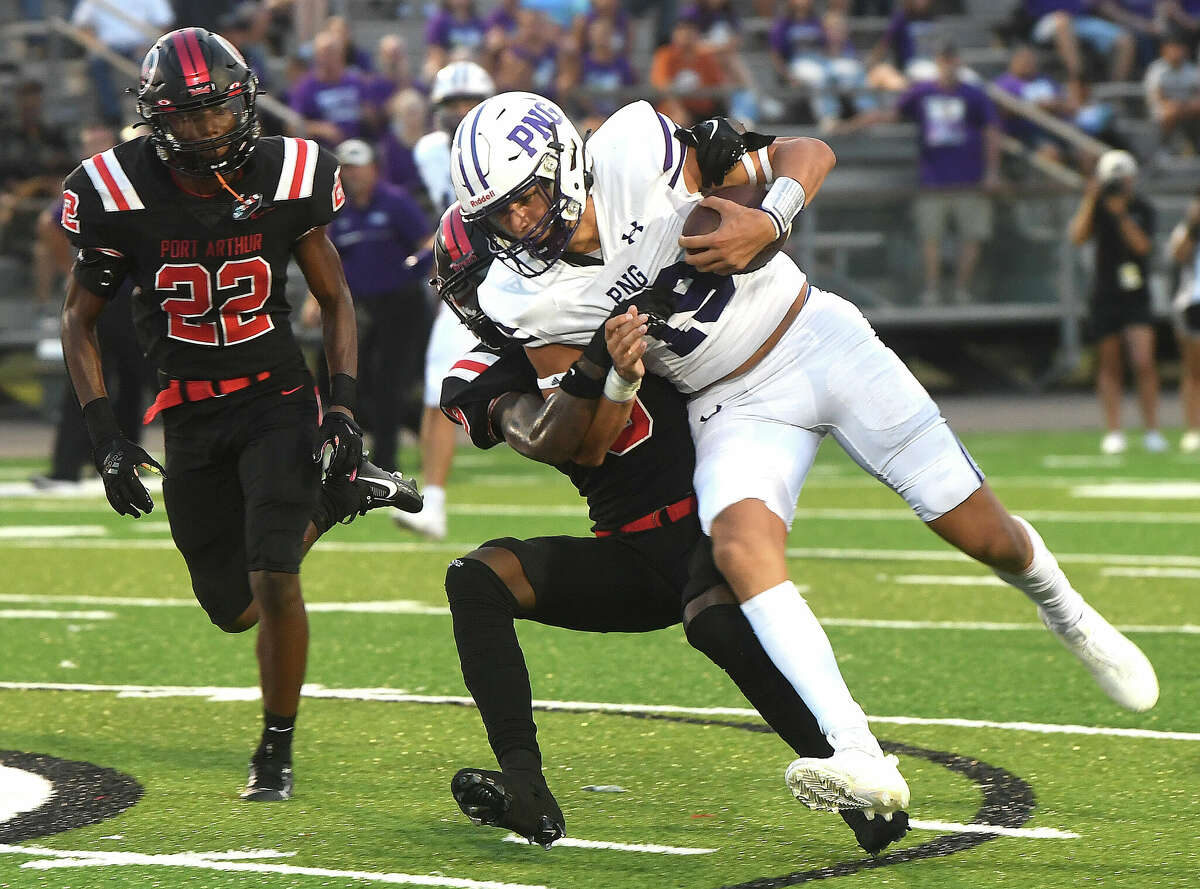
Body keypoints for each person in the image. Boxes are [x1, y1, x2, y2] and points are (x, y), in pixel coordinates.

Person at [450, 92, 1160, 818]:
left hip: (815, 338)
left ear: (565, 163)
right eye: (499, 214)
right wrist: (619, 374)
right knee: (738, 546)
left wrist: (770, 216)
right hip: (730, 400)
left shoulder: (636, 148)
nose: (519, 223)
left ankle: (1064, 608)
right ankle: (855, 750)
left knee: (982, 532)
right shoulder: (523, 297)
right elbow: (588, 440)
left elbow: (807, 152)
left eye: (527, 199)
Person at [432, 204, 910, 855]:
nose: (470, 300)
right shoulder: (485, 369)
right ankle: (525, 786)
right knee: (478, 578)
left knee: (713, 618)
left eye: (473, 280)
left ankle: (857, 784)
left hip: (713, 515)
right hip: (630, 550)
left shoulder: (614, 288)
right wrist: (594, 367)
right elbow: (540, 437)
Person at [58, 27, 419, 801]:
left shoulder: (290, 172)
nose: (205, 129)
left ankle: (275, 748)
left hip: (275, 397)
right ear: (156, 118)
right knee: (233, 607)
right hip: (186, 414)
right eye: (185, 117)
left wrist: (343, 406)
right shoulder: (115, 191)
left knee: (276, 576)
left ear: (244, 101)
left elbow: (335, 298)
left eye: (217, 111)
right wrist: (105, 436)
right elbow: (77, 318)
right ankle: (343, 492)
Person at [394, 61, 496, 540]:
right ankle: (432, 503)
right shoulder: (431, 151)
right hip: (467, 286)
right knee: (439, 387)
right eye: (451, 106)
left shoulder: (504, 143)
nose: (460, 114)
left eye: (467, 103)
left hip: (524, 276)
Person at [836, 42, 1002, 305]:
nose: (949, 65)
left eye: (952, 59)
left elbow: (991, 131)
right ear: (938, 62)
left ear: (959, 62)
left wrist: (992, 171)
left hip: (970, 178)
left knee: (972, 236)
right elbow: (892, 114)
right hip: (933, 178)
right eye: (944, 59)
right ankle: (932, 291)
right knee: (930, 236)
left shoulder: (974, 95)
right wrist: (851, 125)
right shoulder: (923, 92)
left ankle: (962, 291)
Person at [327, 139, 431, 471]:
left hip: (403, 304)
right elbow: (330, 259)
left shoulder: (395, 202)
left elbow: (427, 241)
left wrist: (419, 266)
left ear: (374, 169)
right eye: (346, 169)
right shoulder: (338, 211)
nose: (353, 175)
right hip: (362, 306)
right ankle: (413, 421)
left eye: (358, 167)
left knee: (388, 381)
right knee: (363, 383)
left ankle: (386, 460)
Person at [1068, 149, 1165, 454]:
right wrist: (1090, 199)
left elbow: (1142, 246)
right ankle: (1114, 430)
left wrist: (1120, 213)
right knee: (1109, 363)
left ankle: (1151, 429)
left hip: (1136, 294)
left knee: (1143, 361)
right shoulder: (1095, 207)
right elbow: (1077, 237)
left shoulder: (1142, 208)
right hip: (1105, 292)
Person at [289, 30, 373, 146]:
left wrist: (370, 115)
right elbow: (292, 126)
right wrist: (320, 129)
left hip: (356, 146)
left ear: (341, 54)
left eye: (331, 52)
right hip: (324, 151)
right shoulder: (306, 87)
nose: (327, 58)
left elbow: (370, 114)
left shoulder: (355, 81)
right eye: (323, 53)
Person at [1167, 191, 1200, 452]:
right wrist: (1193, 225)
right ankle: (1193, 429)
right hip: (1194, 302)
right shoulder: (1188, 230)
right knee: (1193, 370)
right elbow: (1178, 255)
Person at [1143, 30, 1200, 159]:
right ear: (1165, 49)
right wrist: (1176, 106)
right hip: (1162, 110)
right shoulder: (1156, 70)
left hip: (1186, 107)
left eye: (1179, 48)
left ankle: (1194, 147)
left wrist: (1187, 105)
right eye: (1173, 47)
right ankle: (1163, 149)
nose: (1177, 51)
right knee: (1171, 112)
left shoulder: (1191, 70)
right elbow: (1157, 98)